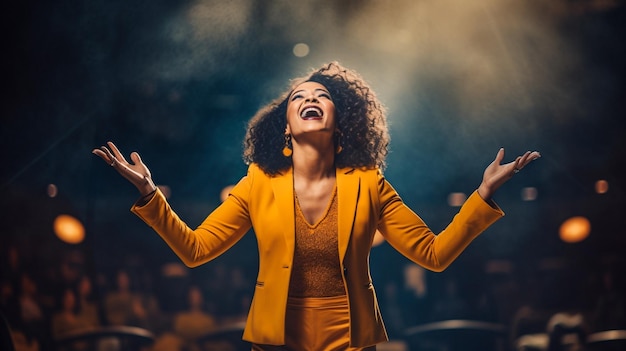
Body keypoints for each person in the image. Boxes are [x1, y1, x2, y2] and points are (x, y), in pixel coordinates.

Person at [93, 62, 540, 350]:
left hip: (349, 337)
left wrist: (481, 197)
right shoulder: (256, 183)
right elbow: (195, 249)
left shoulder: (370, 184)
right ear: (285, 128)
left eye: (321, 95)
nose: (309, 99)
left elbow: (434, 255)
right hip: (276, 339)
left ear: (340, 123)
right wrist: (150, 196)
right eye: (299, 97)